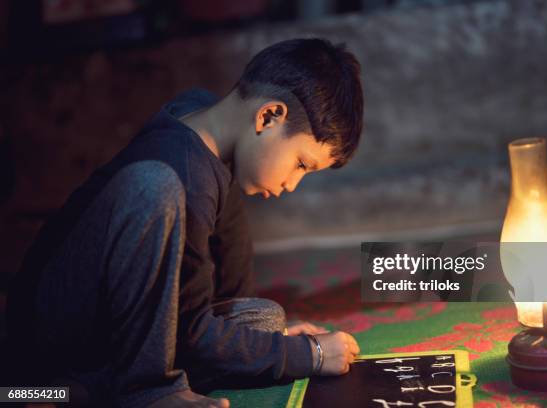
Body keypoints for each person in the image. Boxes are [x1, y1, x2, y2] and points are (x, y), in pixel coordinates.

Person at [5, 38, 364, 408]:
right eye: (301, 164)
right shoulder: (182, 174)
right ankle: (145, 392)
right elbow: (192, 334)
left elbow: (218, 290)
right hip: (50, 347)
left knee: (265, 320)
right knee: (153, 185)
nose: (292, 183)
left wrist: (274, 343)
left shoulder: (200, 118)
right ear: (268, 116)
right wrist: (306, 355)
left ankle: (89, 391)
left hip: (113, 333)